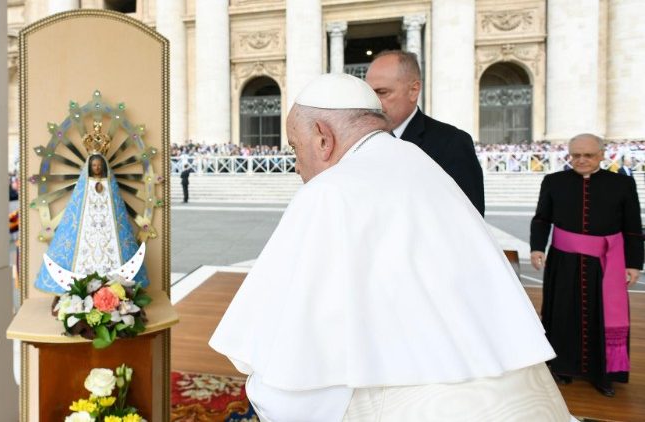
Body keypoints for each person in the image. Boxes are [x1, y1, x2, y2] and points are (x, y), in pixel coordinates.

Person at [210, 73, 572, 421]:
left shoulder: (329, 191)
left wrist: (266, 389)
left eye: (294, 147)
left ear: (323, 138)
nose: (296, 166)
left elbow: (296, 381)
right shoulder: (423, 164)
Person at [531, 134, 643, 397]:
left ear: (602, 155)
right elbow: (542, 218)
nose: (581, 160)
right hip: (563, 261)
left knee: (600, 316)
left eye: (588, 155)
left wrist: (635, 263)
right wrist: (537, 247)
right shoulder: (553, 181)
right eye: (575, 155)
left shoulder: (622, 184)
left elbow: (633, 227)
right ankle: (562, 367)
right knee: (561, 314)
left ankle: (602, 374)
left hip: (605, 265)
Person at [365, 50, 485, 216]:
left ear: (414, 90)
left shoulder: (452, 143)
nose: (373, 103)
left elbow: (469, 221)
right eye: (369, 93)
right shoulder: (364, 142)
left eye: (382, 92)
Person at [34, 126, 148, 294]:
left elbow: (116, 210)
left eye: (98, 165)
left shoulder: (110, 185)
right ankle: (81, 289)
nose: (96, 168)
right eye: (93, 165)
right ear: (89, 167)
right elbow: (77, 209)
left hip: (108, 230)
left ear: (103, 166)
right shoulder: (84, 185)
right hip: (86, 229)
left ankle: (114, 288)